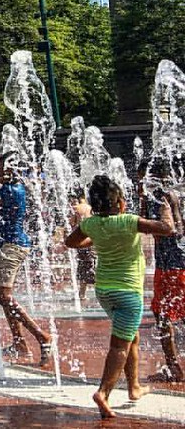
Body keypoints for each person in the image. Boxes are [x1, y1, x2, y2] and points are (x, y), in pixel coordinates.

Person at [66, 173, 174, 418]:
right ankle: (103, 392)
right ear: (120, 203)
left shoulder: (90, 224)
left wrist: (98, 241)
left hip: (105, 292)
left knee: (130, 336)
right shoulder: (129, 221)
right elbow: (168, 229)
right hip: (128, 294)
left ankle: (134, 387)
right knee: (119, 347)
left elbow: (70, 242)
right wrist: (166, 207)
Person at [0, 150, 51, 366]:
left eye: (2, 169)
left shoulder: (9, 190)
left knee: (3, 296)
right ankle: (19, 342)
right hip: (10, 244)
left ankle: (40, 336)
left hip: (11, 246)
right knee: (3, 296)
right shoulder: (16, 188)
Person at [144, 157, 185, 382]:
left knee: (161, 315)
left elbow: (168, 228)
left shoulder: (160, 197)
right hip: (178, 260)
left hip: (170, 263)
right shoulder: (176, 194)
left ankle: (173, 367)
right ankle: (173, 366)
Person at [69, 185, 96, 304]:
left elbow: (72, 224)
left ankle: (82, 294)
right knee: (91, 267)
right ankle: (83, 294)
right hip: (92, 241)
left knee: (84, 268)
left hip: (81, 242)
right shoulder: (90, 208)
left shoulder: (75, 209)